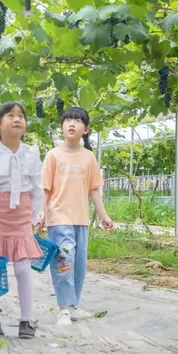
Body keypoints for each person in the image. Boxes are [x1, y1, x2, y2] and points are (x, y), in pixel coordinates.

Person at [0, 102, 44, 339]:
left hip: (22, 216)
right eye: (10, 115)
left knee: (23, 268)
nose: (16, 119)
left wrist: (35, 215)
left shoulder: (31, 153)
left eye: (20, 116)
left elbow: (36, 188)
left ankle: (26, 320)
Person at [40, 107, 115, 325]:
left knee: (80, 264)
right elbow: (45, 188)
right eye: (68, 120)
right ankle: (63, 308)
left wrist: (104, 216)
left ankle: (74, 306)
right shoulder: (53, 155)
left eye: (77, 121)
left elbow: (94, 189)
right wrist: (40, 214)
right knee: (64, 261)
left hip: (81, 220)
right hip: (58, 218)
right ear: (62, 127)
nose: (72, 124)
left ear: (86, 129)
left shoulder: (89, 157)